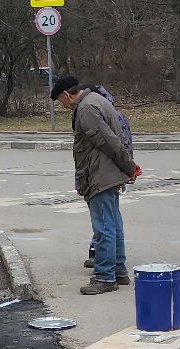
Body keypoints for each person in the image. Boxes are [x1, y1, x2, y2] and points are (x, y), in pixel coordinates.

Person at [54, 75, 140, 295]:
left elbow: (109, 142)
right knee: (114, 225)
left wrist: (129, 167)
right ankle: (119, 271)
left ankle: (104, 277)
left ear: (67, 95)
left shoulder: (86, 109)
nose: (62, 106)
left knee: (103, 228)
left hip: (100, 176)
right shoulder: (98, 101)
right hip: (107, 174)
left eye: (60, 101)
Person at [83, 84, 136, 272]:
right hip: (113, 174)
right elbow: (125, 144)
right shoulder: (113, 113)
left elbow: (117, 145)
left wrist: (128, 169)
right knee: (112, 220)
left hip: (104, 176)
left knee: (105, 223)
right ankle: (117, 266)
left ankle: (105, 271)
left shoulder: (92, 112)